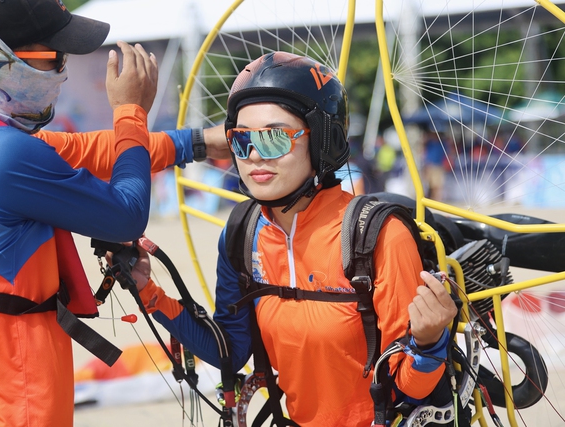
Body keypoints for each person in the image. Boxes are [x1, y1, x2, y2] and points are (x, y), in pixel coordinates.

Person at [0, 0, 227, 425]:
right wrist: (131, 110)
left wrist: (196, 142)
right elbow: (126, 215)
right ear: (4, 59)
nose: (64, 70)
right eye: (55, 57)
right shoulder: (6, 156)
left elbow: (87, 151)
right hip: (10, 404)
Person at [128, 52, 459, 426]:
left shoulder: (378, 236)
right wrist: (148, 290)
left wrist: (429, 341)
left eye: (273, 138)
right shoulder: (241, 234)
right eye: (241, 140)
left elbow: (411, 387)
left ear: (322, 140)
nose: (253, 155)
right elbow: (230, 352)